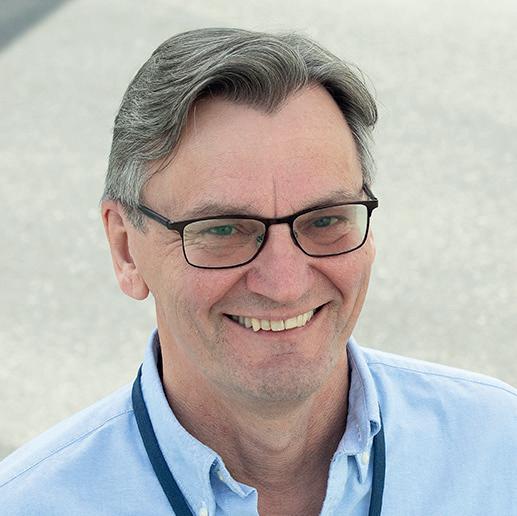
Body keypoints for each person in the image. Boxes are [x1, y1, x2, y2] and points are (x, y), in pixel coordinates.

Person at [1, 27, 516, 516]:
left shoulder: (498, 450)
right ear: (126, 251)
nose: (285, 284)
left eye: (325, 221)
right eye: (224, 229)